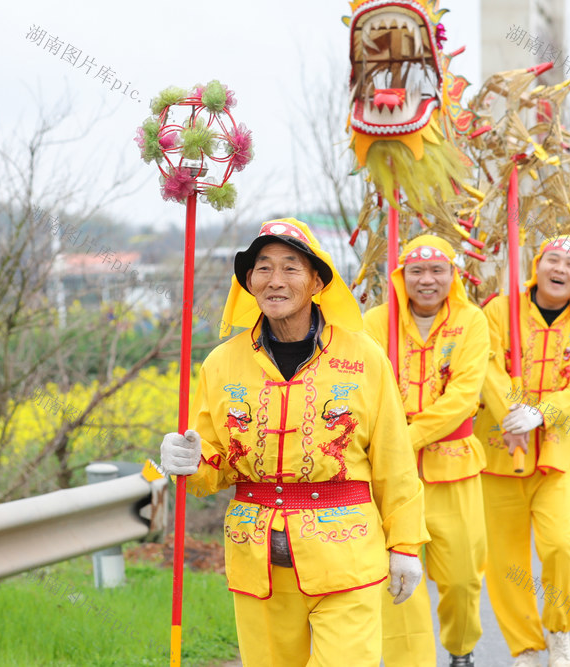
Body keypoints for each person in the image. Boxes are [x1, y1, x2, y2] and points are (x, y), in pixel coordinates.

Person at [158, 218, 429, 666]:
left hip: (348, 556)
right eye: (262, 268)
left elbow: (395, 461)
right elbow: (213, 466)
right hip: (257, 561)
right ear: (248, 282)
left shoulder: (363, 358)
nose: (275, 280)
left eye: (291, 267)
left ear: (317, 280)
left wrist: (404, 546)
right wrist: (185, 460)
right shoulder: (221, 364)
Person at [476, 235, 570, 667]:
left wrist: (542, 413)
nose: (561, 268)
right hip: (500, 453)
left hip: (553, 453)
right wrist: (507, 413)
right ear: (538, 264)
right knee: (504, 561)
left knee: (560, 547)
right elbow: (486, 365)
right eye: (554, 259)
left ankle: (558, 629)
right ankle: (526, 647)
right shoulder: (501, 309)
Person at [362, 235, 490, 667]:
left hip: (453, 469)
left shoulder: (472, 321)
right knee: (398, 578)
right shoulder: (376, 322)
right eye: (416, 270)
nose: (427, 279)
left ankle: (460, 647)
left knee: (462, 578)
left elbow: (463, 398)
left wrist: (402, 440)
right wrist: (390, 451)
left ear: (452, 275)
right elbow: (366, 390)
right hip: (393, 480)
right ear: (400, 276)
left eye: (437, 270)